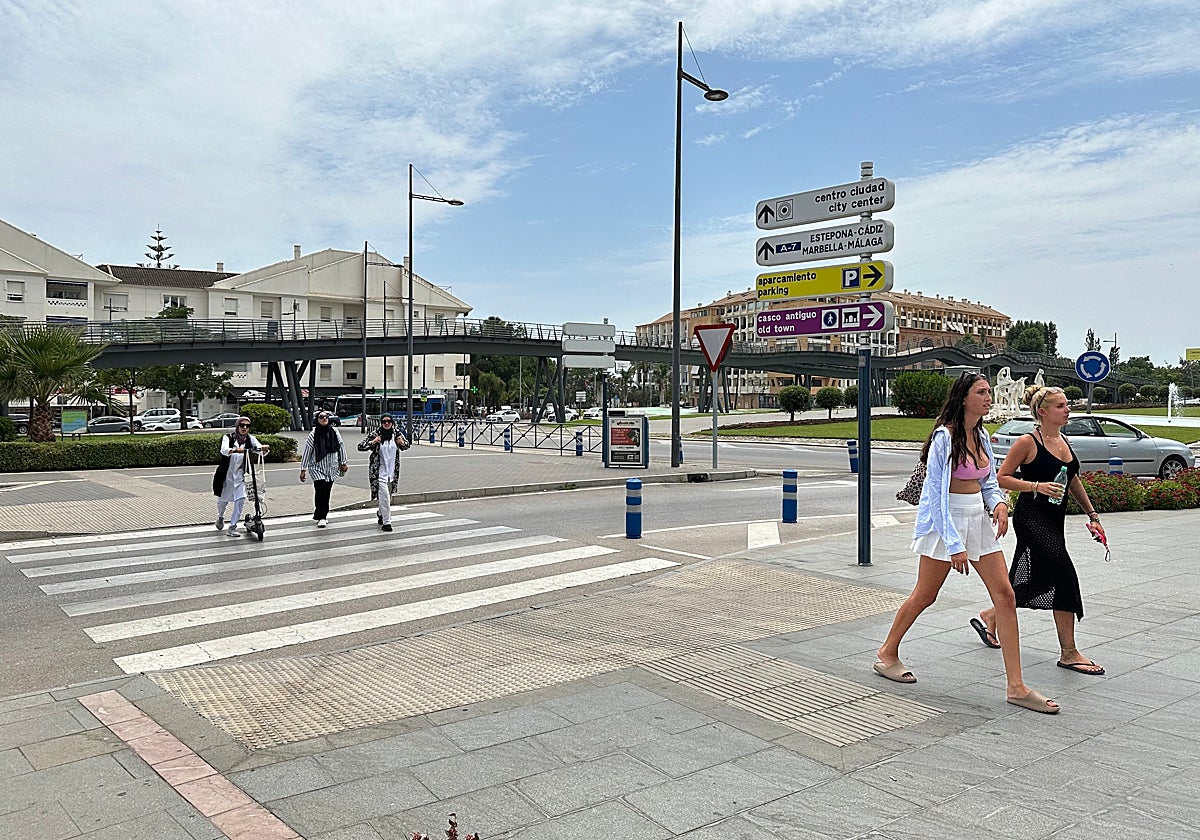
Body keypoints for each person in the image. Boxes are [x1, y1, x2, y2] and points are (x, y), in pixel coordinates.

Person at [875, 373, 1060, 714]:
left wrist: (1000, 504)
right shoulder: (944, 437)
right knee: (925, 595)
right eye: (982, 392)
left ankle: (1016, 686)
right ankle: (887, 653)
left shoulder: (982, 435)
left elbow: (989, 480)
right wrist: (953, 543)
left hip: (977, 519)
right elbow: (934, 495)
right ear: (964, 398)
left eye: (990, 392)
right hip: (947, 523)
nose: (989, 397)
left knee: (1005, 595)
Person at [973, 385, 1107, 675]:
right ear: (1043, 412)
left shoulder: (1063, 439)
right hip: (1031, 517)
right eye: (1061, 405)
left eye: (1067, 404)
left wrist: (1093, 515)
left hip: (1054, 520)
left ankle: (991, 615)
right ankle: (1069, 652)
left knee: (1039, 579)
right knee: (1064, 576)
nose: (1067, 409)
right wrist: (1036, 486)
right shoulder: (1027, 442)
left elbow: (1072, 481)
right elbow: (1001, 478)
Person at [212, 416, 268, 537]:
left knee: (240, 499)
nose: (244, 428)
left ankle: (232, 527)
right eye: (242, 425)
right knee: (222, 501)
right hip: (226, 475)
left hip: (241, 476)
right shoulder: (228, 438)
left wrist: (263, 449)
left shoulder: (250, 439)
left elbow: (259, 449)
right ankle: (220, 517)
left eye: (247, 426)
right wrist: (235, 450)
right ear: (237, 426)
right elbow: (224, 450)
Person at [357, 414, 409, 532]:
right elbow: (360, 446)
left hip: (392, 473)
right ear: (381, 423)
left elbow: (406, 445)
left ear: (392, 422)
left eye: (389, 421)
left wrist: (401, 443)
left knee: (387, 496)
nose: (386, 423)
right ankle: (387, 522)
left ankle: (381, 513)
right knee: (384, 496)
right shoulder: (376, 434)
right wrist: (373, 442)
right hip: (379, 473)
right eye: (384, 421)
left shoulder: (396, 434)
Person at [299, 410, 348, 528]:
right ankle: (322, 516)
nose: (324, 419)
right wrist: (303, 469)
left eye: (326, 417)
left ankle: (320, 513)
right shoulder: (313, 434)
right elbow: (307, 451)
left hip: (332, 467)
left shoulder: (334, 431)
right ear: (317, 419)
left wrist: (343, 462)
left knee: (327, 492)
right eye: (321, 417)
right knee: (321, 491)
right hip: (317, 468)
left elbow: (341, 446)